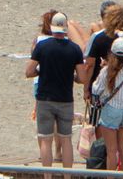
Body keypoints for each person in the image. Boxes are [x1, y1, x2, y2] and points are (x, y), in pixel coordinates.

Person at [28, 12, 86, 168]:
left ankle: (47, 175)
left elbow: (29, 72)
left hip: (45, 98)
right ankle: (68, 175)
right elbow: (82, 77)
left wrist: (41, 71)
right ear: (66, 28)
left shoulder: (42, 46)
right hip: (65, 99)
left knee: (46, 139)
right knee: (66, 139)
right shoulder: (74, 49)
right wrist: (72, 76)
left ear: (52, 28)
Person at [93, 37, 123, 171]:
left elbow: (96, 89)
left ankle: (111, 176)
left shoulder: (106, 71)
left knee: (111, 151)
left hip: (111, 108)